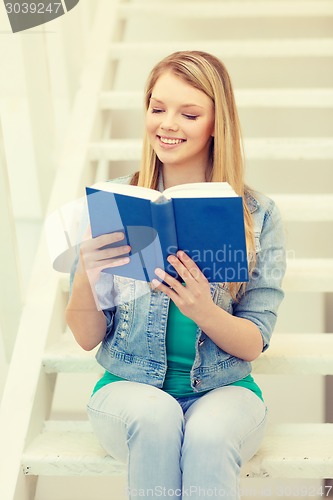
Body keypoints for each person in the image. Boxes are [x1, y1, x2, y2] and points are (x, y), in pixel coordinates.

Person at [66, 51, 286, 499]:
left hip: (225, 387)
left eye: (189, 113)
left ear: (215, 124)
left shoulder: (257, 215)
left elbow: (253, 342)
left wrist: (205, 311)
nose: (168, 124)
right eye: (157, 108)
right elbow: (87, 337)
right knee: (156, 417)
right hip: (128, 388)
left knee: (207, 435)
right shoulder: (117, 201)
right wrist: (86, 273)